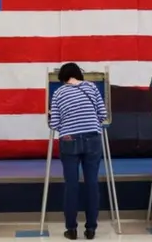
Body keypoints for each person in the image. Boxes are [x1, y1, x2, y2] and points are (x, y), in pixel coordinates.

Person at [48, 63, 107, 240]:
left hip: (69, 139)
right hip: (92, 138)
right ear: (78, 74)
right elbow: (102, 114)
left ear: (63, 77)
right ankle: (90, 229)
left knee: (71, 185)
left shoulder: (58, 93)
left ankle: (71, 229)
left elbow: (54, 124)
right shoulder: (91, 87)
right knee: (91, 184)